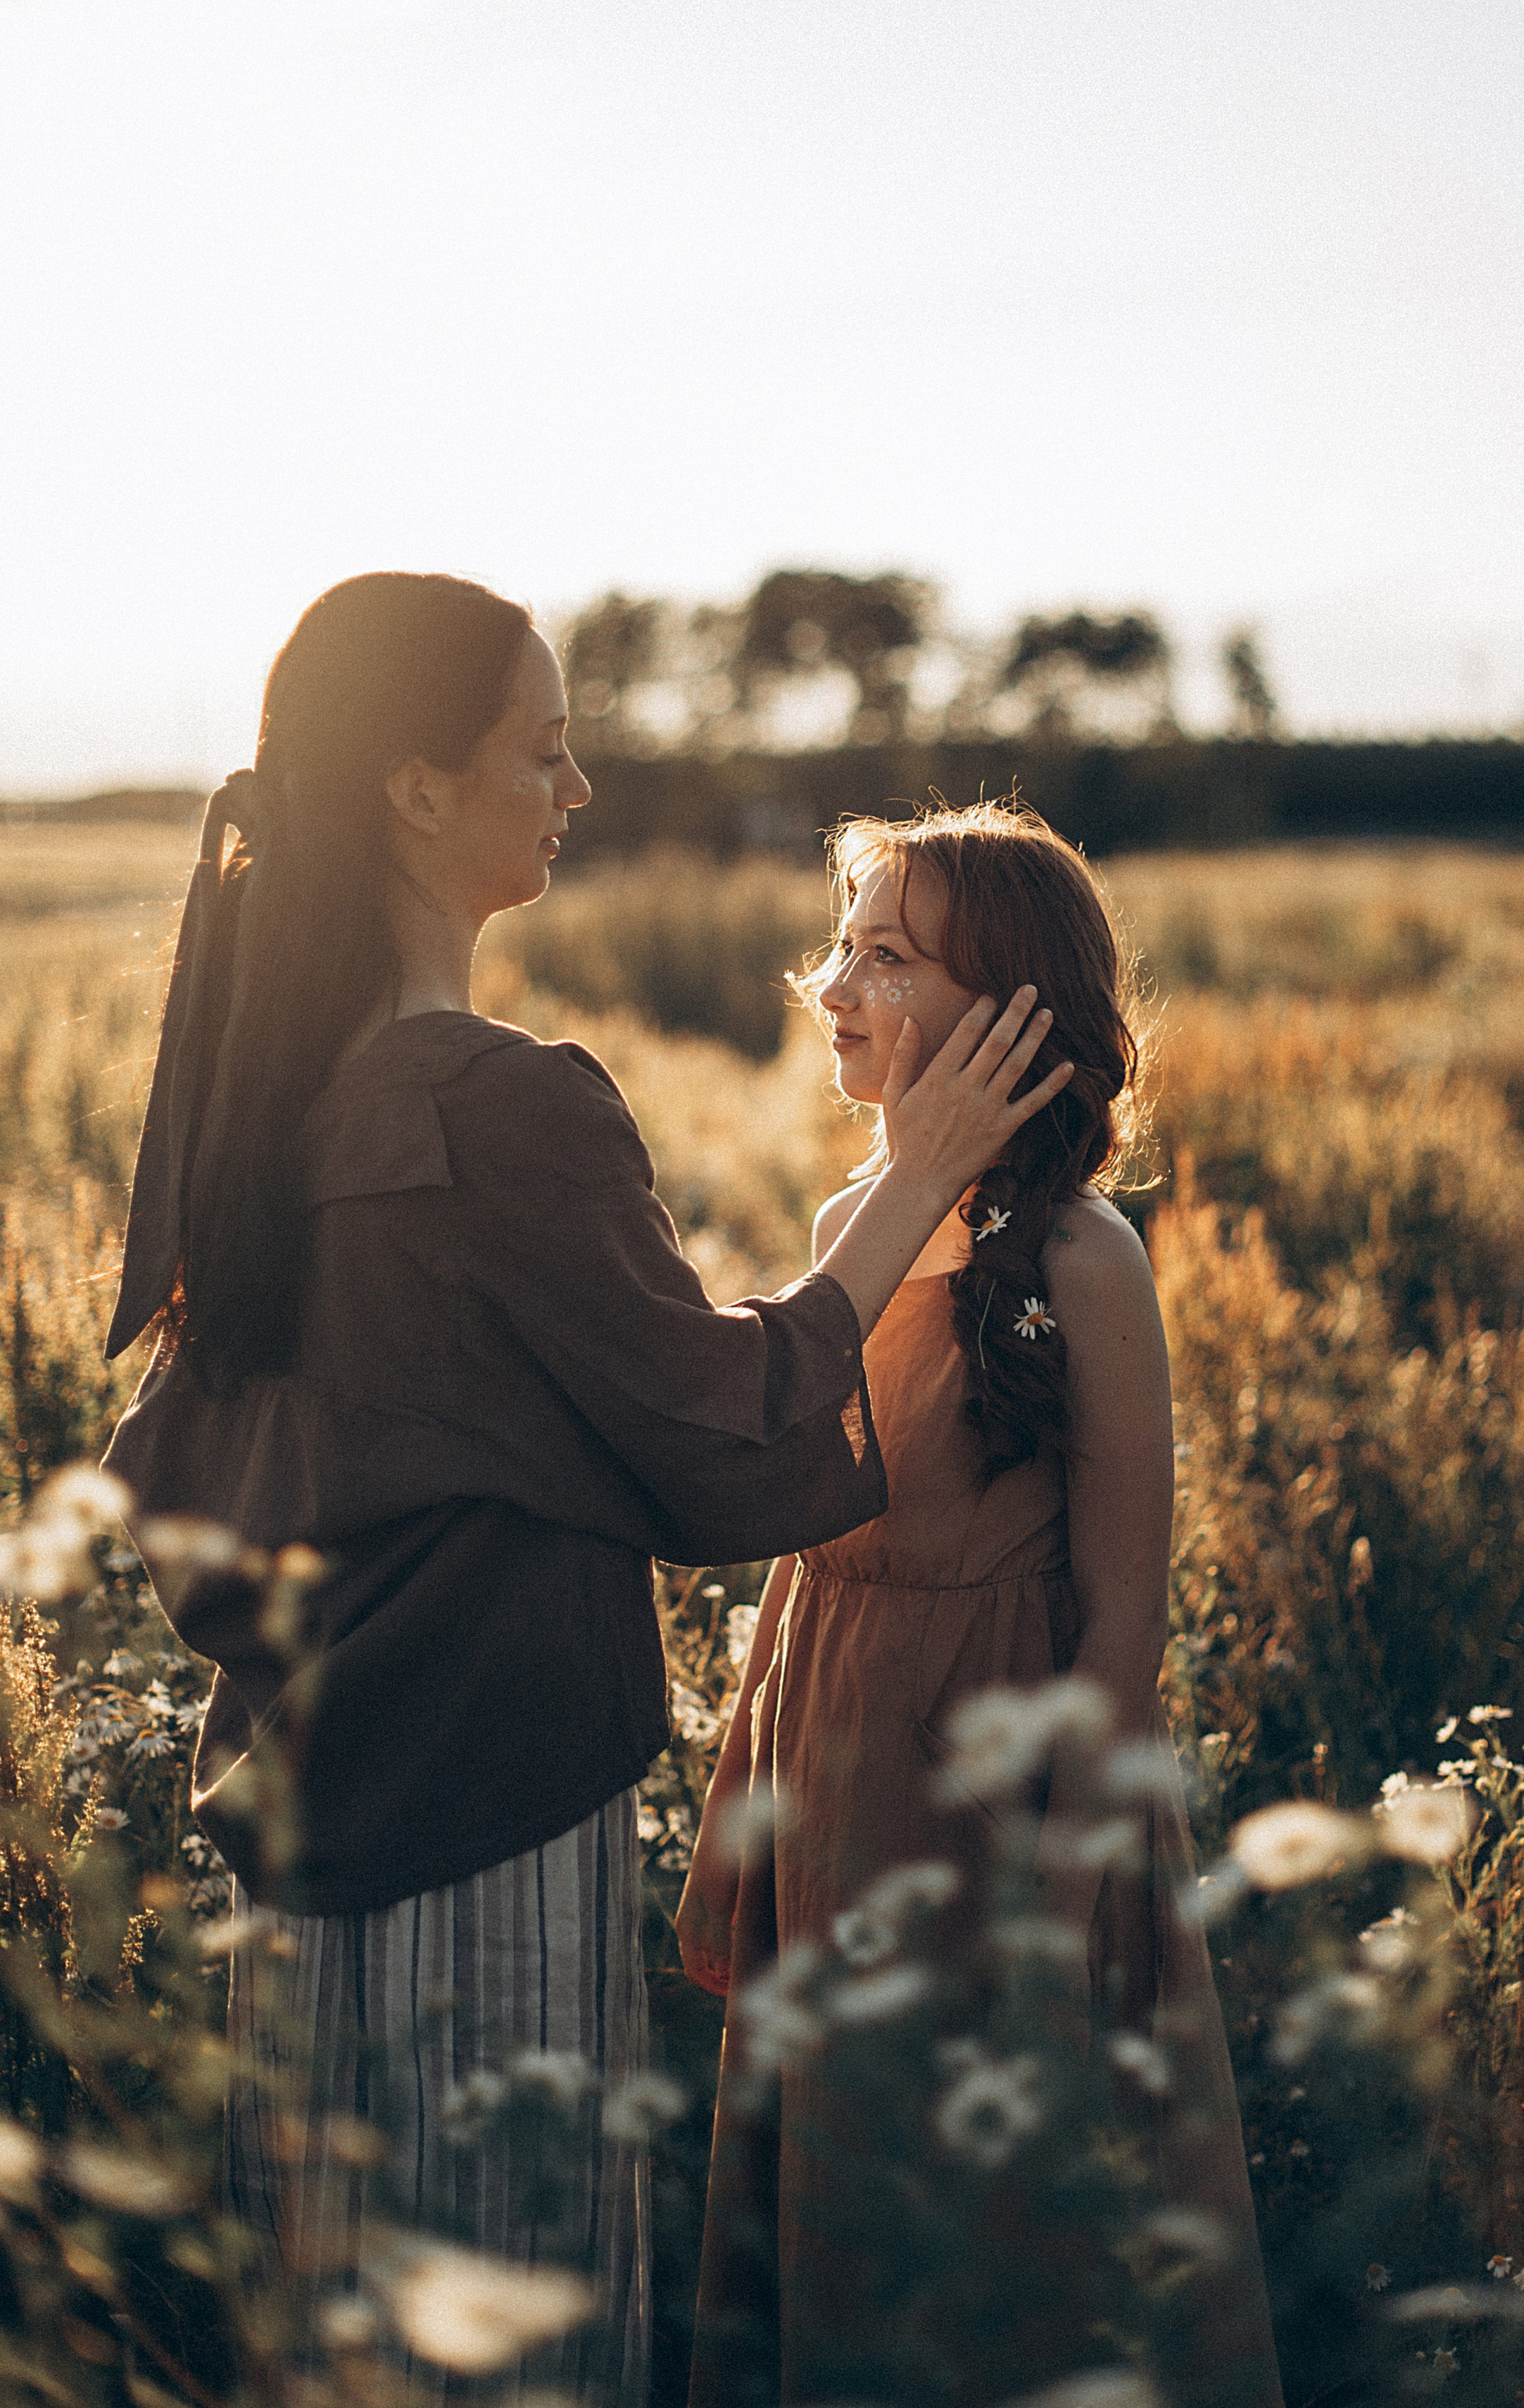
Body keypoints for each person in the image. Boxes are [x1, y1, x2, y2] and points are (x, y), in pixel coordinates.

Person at [100, 577, 1071, 2402]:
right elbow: (716, 1430)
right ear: (411, 793)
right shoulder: (503, 1107)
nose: (575, 787)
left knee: (335, 2350)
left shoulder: (270, 1106)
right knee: (514, 2337)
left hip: (308, 1851)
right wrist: (915, 1187)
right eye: (540, 750)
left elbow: (201, 1477)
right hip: (482, 1825)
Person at [678, 801, 1280, 2408]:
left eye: (887, 954)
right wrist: (745, 1798)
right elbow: (804, 1547)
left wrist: (1063, 1903)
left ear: (1014, 1006)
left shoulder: (1086, 1262)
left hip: (993, 1785)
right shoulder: (842, 1235)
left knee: (1000, 2212)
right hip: (833, 1752)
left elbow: (1122, 1625)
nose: (835, 982)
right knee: (846, 2182)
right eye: (839, 945)